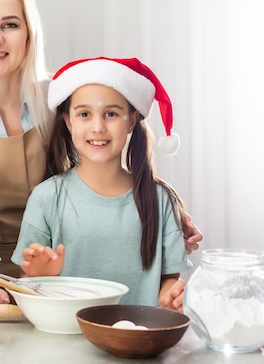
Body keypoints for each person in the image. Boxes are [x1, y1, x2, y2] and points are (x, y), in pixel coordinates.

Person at [0, 0, 202, 281]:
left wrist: (163, 206)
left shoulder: (60, 98)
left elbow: (110, 162)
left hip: (68, 275)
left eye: (11, 25)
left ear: (29, 35)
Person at [11, 57, 191, 311]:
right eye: (84, 114)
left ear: (131, 120)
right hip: (64, 342)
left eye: (111, 114)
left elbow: (168, 279)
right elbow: (28, 287)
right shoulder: (45, 198)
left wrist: (169, 297)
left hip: (136, 342)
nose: (98, 127)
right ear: (68, 121)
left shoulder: (159, 200)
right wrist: (38, 276)